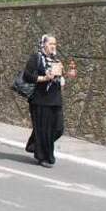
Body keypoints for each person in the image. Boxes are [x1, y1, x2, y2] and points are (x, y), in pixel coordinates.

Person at [24, 35, 67, 168]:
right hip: (40, 100)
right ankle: (43, 157)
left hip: (55, 100)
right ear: (43, 44)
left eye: (55, 43)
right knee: (44, 130)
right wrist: (44, 78)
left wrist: (66, 76)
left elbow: (59, 79)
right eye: (50, 43)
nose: (53, 46)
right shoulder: (36, 58)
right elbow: (27, 76)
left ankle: (36, 144)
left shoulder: (57, 60)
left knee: (58, 128)